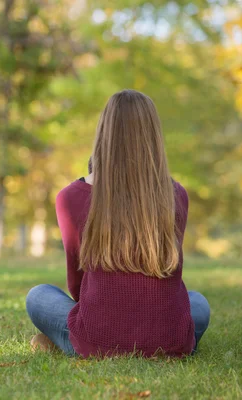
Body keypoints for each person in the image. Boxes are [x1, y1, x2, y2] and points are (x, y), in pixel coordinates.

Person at [26, 89, 210, 358]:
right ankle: (155, 342)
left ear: (104, 133)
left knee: (39, 296)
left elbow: (77, 286)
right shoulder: (176, 194)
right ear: (154, 136)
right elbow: (170, 274)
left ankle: (67, 342)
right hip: (169, 341)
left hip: (99, 337)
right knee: (198, 304)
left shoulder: (71, 197)